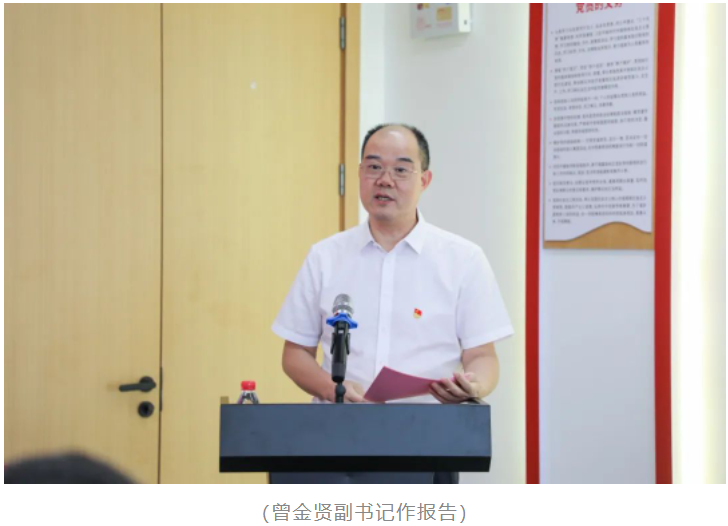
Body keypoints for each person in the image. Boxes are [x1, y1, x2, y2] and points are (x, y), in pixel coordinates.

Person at [273, 123, 513, 407]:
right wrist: (331, 389)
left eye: (401, 170)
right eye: (374, 167)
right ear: (360, 173)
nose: (385, 180)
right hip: (342, 423)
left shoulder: (463, 259)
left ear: (424, 180)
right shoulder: (324, 257)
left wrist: (475, 385)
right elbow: (296, 353)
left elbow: (481, 355)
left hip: (429, 425)